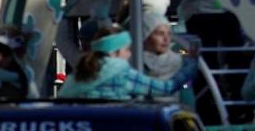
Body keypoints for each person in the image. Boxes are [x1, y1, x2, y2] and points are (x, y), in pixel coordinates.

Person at [58, 22, 195, 100]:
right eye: (127, 49)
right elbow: (166, 88)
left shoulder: (78, 74)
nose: (129, 54)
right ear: (114, 52)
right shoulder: (121, 74)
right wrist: (190, 65)